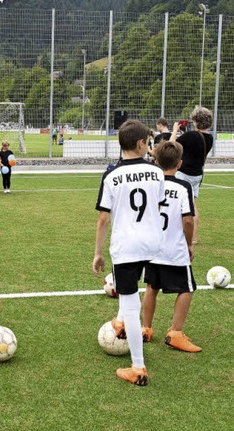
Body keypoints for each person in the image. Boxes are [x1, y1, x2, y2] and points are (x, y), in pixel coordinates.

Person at [92, 119, 166, 387]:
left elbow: (103, 219)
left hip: (126, 247)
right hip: (154, 244)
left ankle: (138, 367)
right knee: (134, 298)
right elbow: (156, 204)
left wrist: (98, 253)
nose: (149, 146)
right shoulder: (156, 172)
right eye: (148, 142)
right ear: (140, 144)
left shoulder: (111, 175)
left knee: (131, 302)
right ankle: (122, 321)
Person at [141, 140, 201, 353]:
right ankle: (175, 333)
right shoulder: (183, 186)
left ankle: (145, 328)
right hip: (174, 249)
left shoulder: (151, 185)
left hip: (152, 248)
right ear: (180, 163)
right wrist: (188, 244)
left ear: (156, 161)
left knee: (151, 287)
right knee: (187, 288)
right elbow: (187, 220)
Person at [170, 106, 213, 245]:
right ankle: (193, 237)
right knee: (192, 206)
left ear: (196, 121)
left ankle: (177, 233)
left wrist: (175, 130)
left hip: (184, 174)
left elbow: (171, 145)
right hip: (197, 175)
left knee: (177, 205)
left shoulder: (190, 136)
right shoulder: (210, 138)